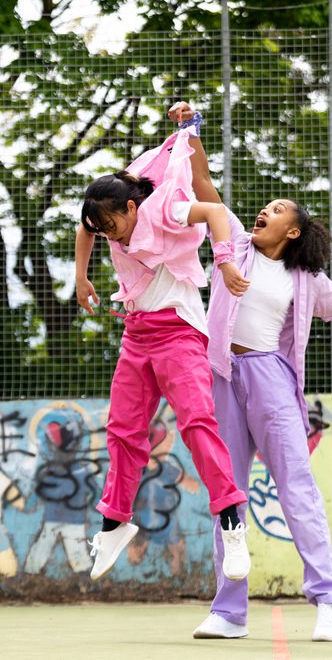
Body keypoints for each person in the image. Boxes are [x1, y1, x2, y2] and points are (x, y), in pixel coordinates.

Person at [169, 103, 332, 643]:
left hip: (271, 380)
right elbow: (202, 179)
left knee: (296, 489)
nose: (264, 210)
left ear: (294, 229)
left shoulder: (307, 279)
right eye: (264, 205)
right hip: (221, 374)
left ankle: (327, 600)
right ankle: (230, 612)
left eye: (277, 208)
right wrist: (186, 131)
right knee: (226, 495)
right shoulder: (232, 241)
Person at [75, 116, 251, 583]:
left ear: (134, 207)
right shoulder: (106, 223)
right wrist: (81, 275)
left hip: (178, 333)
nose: (111, 235)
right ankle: (114, 523)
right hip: (137, 334)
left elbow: (214, 211)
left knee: (196, 423)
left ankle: (232, 521)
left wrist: (225, 262)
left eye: (114, 224)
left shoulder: (166, 210)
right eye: (102, 228)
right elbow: (87, 229)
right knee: (122, 431)